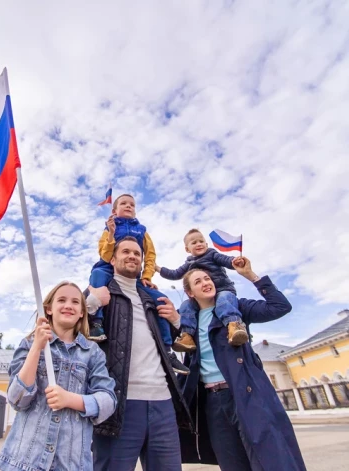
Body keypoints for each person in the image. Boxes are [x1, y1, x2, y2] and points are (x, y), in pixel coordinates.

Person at [177, 260, 307, 471]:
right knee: (232, 464)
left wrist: (252, 276)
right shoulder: (187, 322)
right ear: (190, 292)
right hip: (212, 403)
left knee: (269, 460)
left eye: (208, 279)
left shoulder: (235, 307)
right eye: (198, 281)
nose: (205, 283)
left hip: (244, 395)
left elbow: (280, 307)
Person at [86, 236, 193, 471]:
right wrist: (92, 301)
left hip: (163, 403)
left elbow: (178, 342)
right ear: (112, 259)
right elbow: (71, 327)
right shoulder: (99, 291)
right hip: (117, 404)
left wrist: (176, 320)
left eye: (137, 253)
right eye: (125, 252)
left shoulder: (152, 298)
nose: (132, 256)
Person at [0, 281, 117, 471]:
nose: (68, 305)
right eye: (62, 300)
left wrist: (70, 399)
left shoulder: (93, 352)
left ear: (82, 312)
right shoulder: (28, 344)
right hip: (25, 462)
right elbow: (17, 400)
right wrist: (37, 347)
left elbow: (108, 401)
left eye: (76, 302)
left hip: (72, 464)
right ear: (48, 309)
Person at [88, 193, 190, 374]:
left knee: (161, 299)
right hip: (107, 268)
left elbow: (149, 255)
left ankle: (167, 349)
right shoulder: (109, 228)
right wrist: (111, 233)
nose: (128, 206)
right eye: (124, 204)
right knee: (96, 277)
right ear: (114, 210)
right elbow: (104, 255)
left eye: (132, 205)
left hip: (134, 275)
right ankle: (96, 323)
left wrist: (147, 276)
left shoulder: (142, 231)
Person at [156, 228, 249, 350]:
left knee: (224, 300)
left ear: (206, 244)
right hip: (201, 298)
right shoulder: (189, 263)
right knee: (185, 306)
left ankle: (234, 326)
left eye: (201, 241)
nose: (198, 244)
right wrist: (158, 268)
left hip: (222, 290)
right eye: (194, 243)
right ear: (187, 249)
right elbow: (175, 274)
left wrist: (235, 261)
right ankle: (187, 336)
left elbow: (225, 260)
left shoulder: (212, 254)